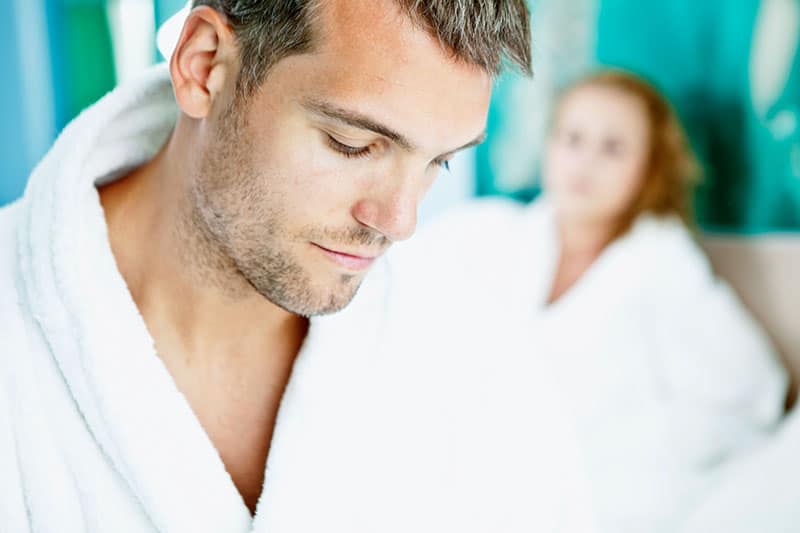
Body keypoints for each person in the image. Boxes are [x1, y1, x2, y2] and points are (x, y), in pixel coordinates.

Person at [0, 2, 598, 533]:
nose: (398, 219)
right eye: (351, 144)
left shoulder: (482, 375)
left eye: (437, 161)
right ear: (206, 65)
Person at [388, 69, 789, 533]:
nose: (585, 163)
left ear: (648, 168)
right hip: (475, 460)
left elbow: (756, 389)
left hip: (597, 483)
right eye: (572, 138)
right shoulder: (486, 233)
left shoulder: (662, 263)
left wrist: (635, 442)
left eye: (613, 148)